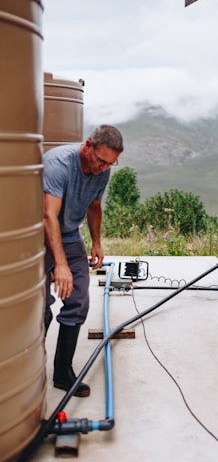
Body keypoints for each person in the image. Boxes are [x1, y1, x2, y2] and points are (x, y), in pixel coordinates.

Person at [43, 124, 124, 397]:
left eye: (110, 164)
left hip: (69, 234)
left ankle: (62, 373)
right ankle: (29, 368)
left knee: (79, 300)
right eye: (100, 161)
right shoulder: (58, 165)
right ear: (87, 146)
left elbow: (94, 206)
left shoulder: (103, 170)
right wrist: (60, 265)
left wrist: (97, 241)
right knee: (39, 306)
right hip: (38, 235)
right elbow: (48, 217)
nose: (103, 168)